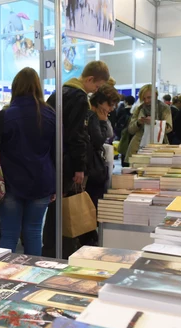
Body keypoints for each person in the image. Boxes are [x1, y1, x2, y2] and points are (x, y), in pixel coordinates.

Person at [0, 68, 56, 255]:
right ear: (38, 87)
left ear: (15, 87)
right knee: (33, 231)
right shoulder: (51, 115)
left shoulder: (4, 116)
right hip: (42, 182)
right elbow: (57, 153)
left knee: (9, 233)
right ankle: (34, 275)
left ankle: (3, 277)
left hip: (9, 183)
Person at [43, 60, 110, 259]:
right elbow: (77, 134)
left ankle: (50, 249)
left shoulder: (59, 92)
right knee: (66, 211)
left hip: (54, 158)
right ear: (89, 79)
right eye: (96, 86)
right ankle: (63, 252)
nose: (94, 91)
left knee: (55, 211)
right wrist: (80, 166)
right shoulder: (80, 97)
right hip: (68, 162)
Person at [80, 84, 120, 246]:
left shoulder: (91, 114)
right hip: (90, 167)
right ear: (101, 102)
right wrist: (103, 121)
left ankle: (88, 235)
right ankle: (88, 237)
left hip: (90, 166)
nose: (110, 109)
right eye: (109, 105)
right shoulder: (92, 116)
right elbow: (99, 140)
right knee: (90, 203)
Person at [125, 84, 173, 163]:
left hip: (159, 143)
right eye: (144, 98)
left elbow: (169, 128)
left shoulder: (164, 108)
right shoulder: (139, 109)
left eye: (149, 97)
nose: (146, 101)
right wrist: (139, 122)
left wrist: (154, 123)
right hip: (138, 146)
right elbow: (130, 129)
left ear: (156, 95)